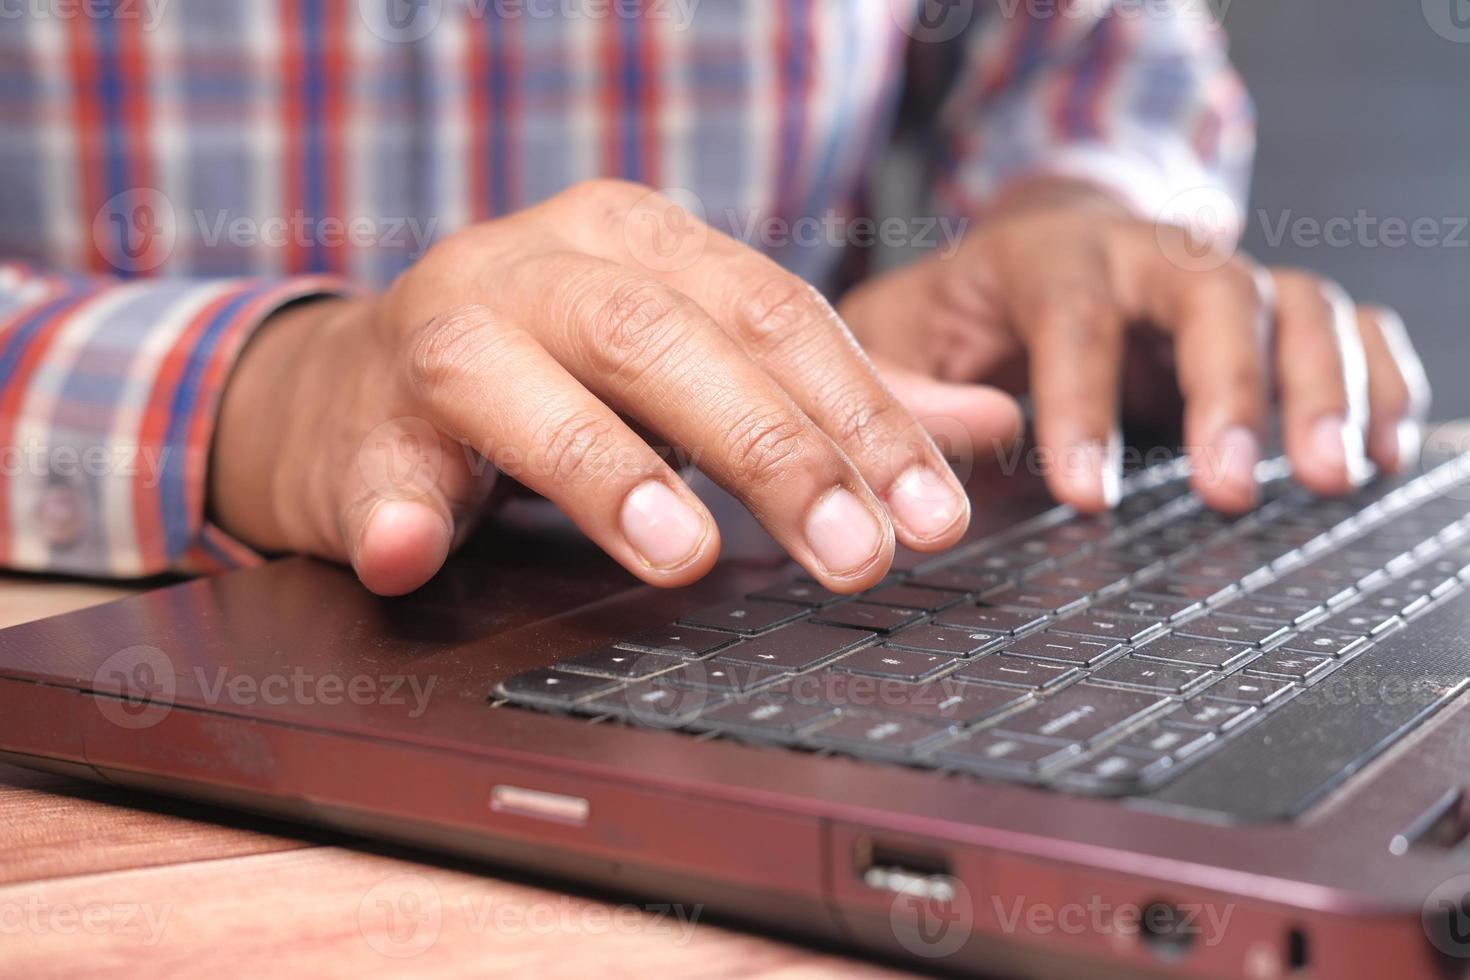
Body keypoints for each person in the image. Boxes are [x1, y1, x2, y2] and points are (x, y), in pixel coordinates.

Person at [0, 0, 1429, 596]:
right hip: (139, 622)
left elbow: (1083, 50)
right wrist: (254, 390)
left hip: (796, 600)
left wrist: (1073, 219)